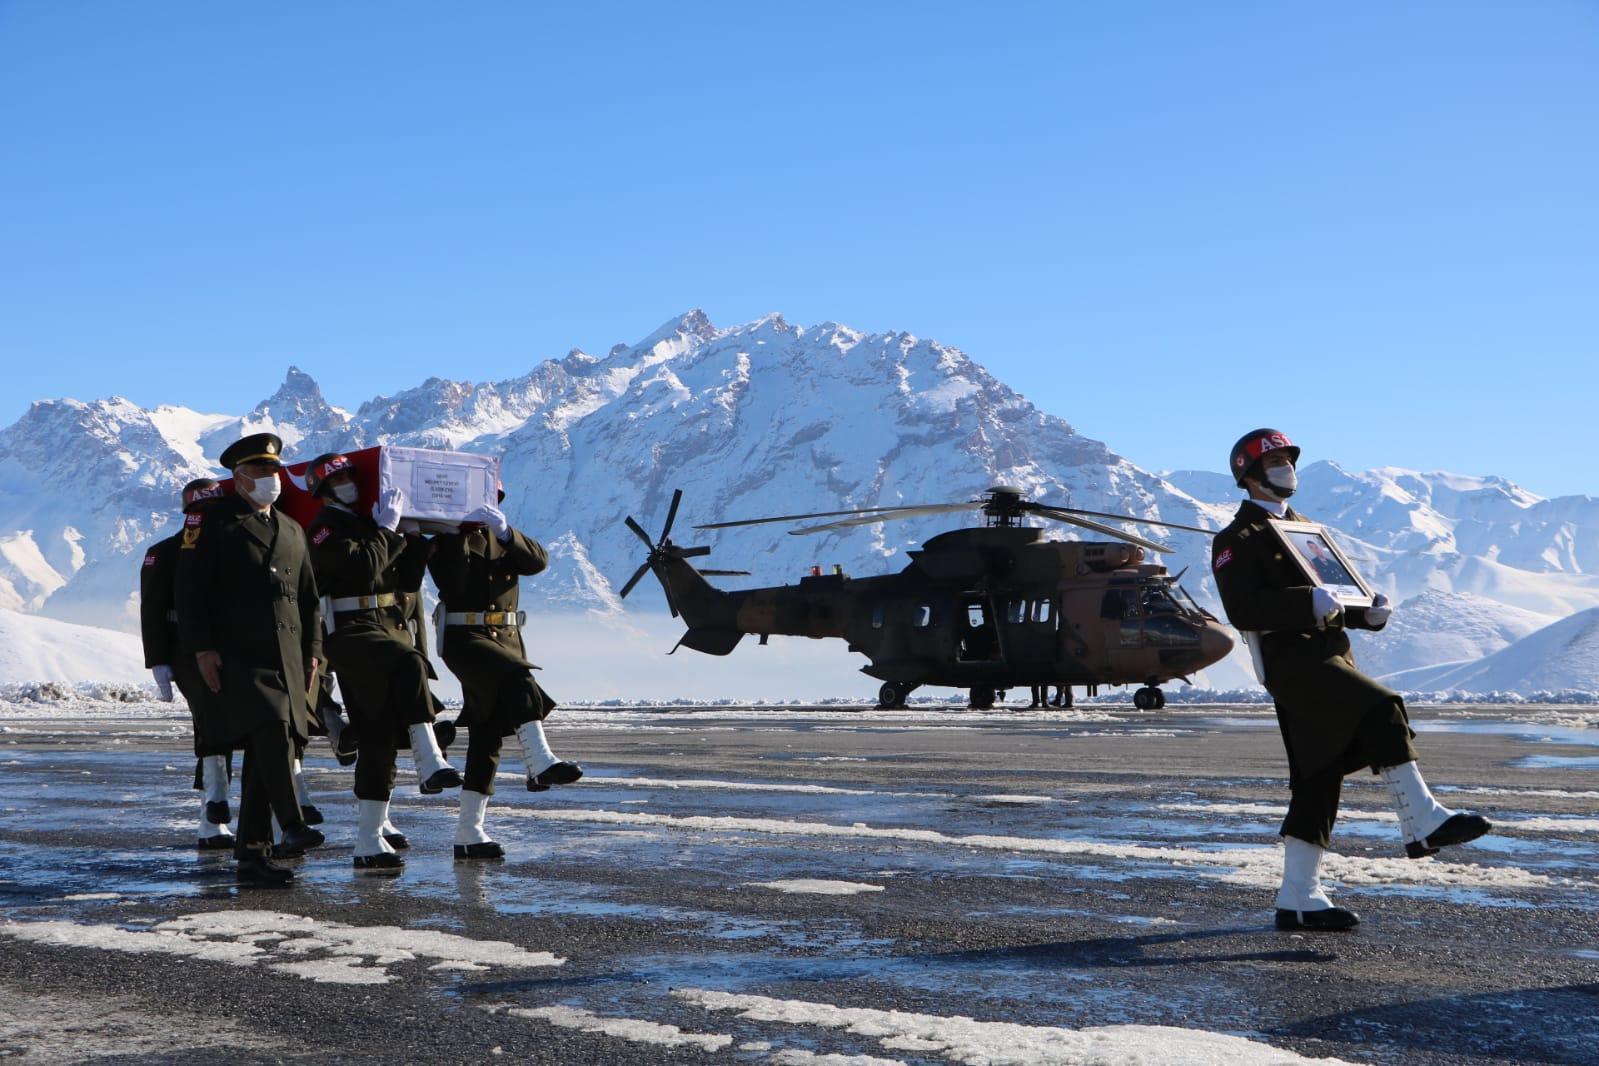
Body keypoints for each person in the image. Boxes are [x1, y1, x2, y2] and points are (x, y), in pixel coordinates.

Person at [1212, 428, 1491, 931]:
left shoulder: (1306, 531)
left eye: (1287, 459)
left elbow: (1337, 599)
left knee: (1317, 777)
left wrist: (1367, 616)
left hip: (1332, 659)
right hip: (1294, 665)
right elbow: (1242, 608)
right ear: (1249, 475)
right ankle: (1422, 822)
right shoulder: (1236, 539)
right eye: (1273, 461)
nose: (1285, 468)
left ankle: (1299, 898)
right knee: (1384, 707)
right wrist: (1305, 604)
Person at [176, 434, 325, 884]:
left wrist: (315, 653)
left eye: (274, 473)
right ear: (238, 478)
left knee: (267, 753)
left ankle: (252, 857)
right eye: (260, 474)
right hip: (238, 654)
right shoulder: (210, 523)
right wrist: (201, 650)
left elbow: (309, 599)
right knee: (272, 727)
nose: (270, 481)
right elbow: (190, 592)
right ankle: (294, 823)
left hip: (289, 658)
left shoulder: (293, 529)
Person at [304, 453, 461, 872]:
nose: (349, 483)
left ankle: (369, 840)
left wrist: (415, 541)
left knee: (378, 737)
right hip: (350, 633)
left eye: (351, 476)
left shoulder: (365, 525)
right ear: (323, 489)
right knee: (409, 662)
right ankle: (429, 759)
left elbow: (403, 582)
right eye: (339, 480)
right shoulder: (323, 529)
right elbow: (362, 567)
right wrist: (387, 530)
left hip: (382, 631)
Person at [428, 483, 581, 860]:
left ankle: (469, 832)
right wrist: (456, 533)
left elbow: (538, 561)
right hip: (467, 639)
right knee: (518, 677)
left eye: (494, 500)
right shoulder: (447, 539)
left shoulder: (503, 537)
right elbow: (453, 581)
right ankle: (540, 762)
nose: (488, 505)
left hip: (508, 638)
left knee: (488, 733)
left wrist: (506, 533)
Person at [141, 478, 234, 849]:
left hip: (229, 647)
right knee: (212, 715)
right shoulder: (162, 552)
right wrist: (158, 661)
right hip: (183, 650)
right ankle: (216, 802)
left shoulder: (232, 551)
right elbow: (152, 609)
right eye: (201, 511)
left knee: (227, 725)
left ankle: (211, 822)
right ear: (189, 513)